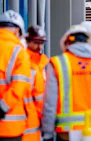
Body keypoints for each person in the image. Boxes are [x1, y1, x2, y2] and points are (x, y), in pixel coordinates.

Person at [0, 10, 32, 141]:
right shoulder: (19, 52)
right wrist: (1, 107)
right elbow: (19, 86)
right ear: (17, 31)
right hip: (9, 125)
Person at [22, 25, 49, 141]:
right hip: (29, 117)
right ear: (27, 41)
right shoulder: (25, 61)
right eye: (36, 42)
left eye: (41, 43)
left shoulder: (40, 63)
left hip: (35, 118)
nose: (39, 46)